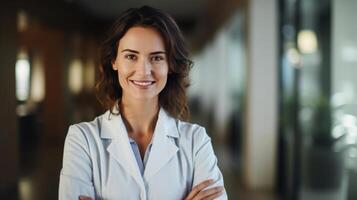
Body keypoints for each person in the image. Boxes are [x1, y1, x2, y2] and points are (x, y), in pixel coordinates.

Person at [59, 6, 227, 200]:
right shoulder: (82, 140)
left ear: (170, 65)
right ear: (114, 61)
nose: (144, 71)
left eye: (156, 58)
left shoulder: (196, 141)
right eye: (131, 56)